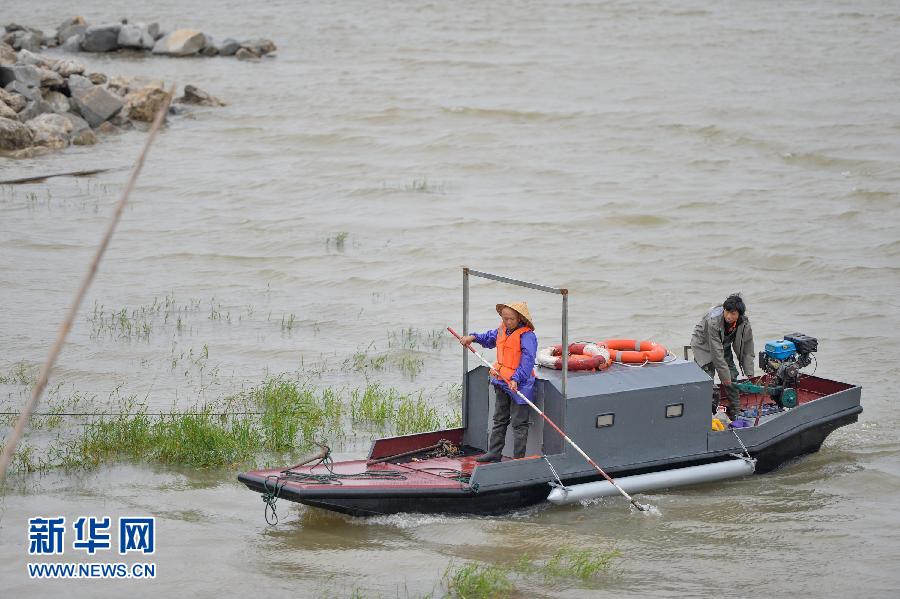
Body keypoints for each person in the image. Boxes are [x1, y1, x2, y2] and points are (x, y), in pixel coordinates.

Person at [458, 302, 537, 462]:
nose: (508, 322)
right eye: (505, 318)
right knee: (499, 419)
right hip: (502, 381)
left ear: (520, 318)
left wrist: (516, 378)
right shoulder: (502, 330)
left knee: (519, 423)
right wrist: (472, 337)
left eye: (511, 319)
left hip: (520, 384)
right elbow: (488, 338)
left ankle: (518, 458)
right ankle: (494, 453)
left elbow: (528, 361)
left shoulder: (527, 336)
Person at [690, 293, 755, 420]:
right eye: (727, 312)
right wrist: (724, 377)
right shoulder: (713, 321)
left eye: (733, 314)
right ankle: (705, 416)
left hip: (723, 344)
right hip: (704, 345)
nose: (729, 316)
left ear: (739, 315)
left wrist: (749, 372)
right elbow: (716, 353)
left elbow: (747, 347)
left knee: (732, 378)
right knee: (707, 380)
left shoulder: (744, 323)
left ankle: (735, 412)